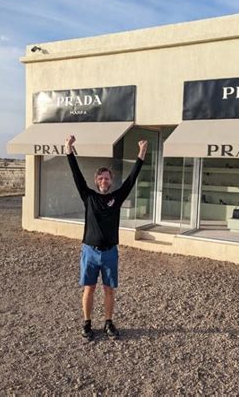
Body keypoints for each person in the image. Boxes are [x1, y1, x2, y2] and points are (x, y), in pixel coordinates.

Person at [65, 135, 148, 341]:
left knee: (109, 290)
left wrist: (141, 154)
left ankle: (109, 322)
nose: (104, 181)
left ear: (111, 181)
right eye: (100, 178)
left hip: (110, 252)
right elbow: (76, 174)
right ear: (96, 181)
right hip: (89, 252)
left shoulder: (116, 198)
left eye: (107, 178)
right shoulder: (89, 197)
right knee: (89, 289)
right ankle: (87, 323)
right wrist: (68, 149)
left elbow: (131, 179)